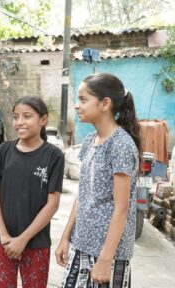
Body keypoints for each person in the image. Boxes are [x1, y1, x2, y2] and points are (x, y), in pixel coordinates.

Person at [55, 73, 140, 288]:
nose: (76, 105)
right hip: (82, 244)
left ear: (105, 104)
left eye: (83, 100)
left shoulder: (120, 145)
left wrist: (105, 260)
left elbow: (122, 208)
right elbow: (83, 194)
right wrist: (66, 236)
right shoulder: (91, 140)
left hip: (105, 253)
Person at [0, 96, 64, 288]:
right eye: (16, 117)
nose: (19, 122)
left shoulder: (53, 155)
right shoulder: (5, 150)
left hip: (36, 242)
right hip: (2, 242)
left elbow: (52, 204)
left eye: (27, 116)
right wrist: (4, 235)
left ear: (43, 120)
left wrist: (23, 239)